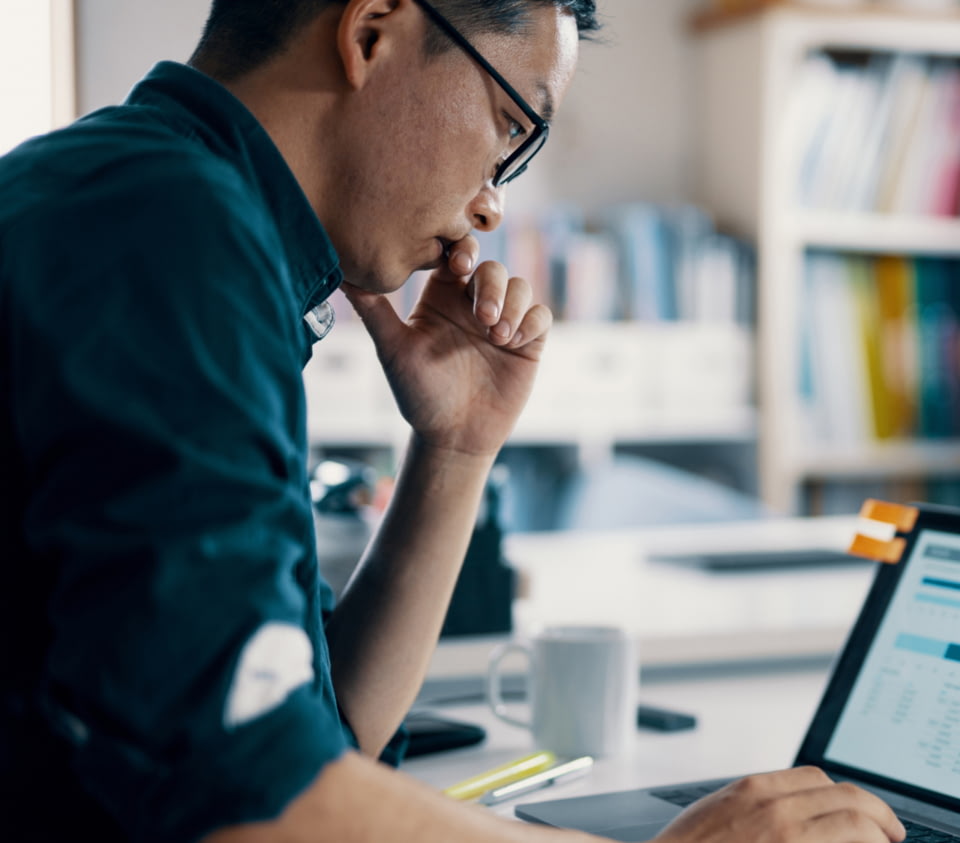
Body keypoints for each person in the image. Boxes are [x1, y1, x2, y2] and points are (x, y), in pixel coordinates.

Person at [0, 1, 906, 841]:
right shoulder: (166, 230)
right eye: (513, 126)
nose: (492, 203)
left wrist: (455, 446)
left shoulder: (171, 206)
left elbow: (324, 734)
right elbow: (248, 795)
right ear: (372, 34)